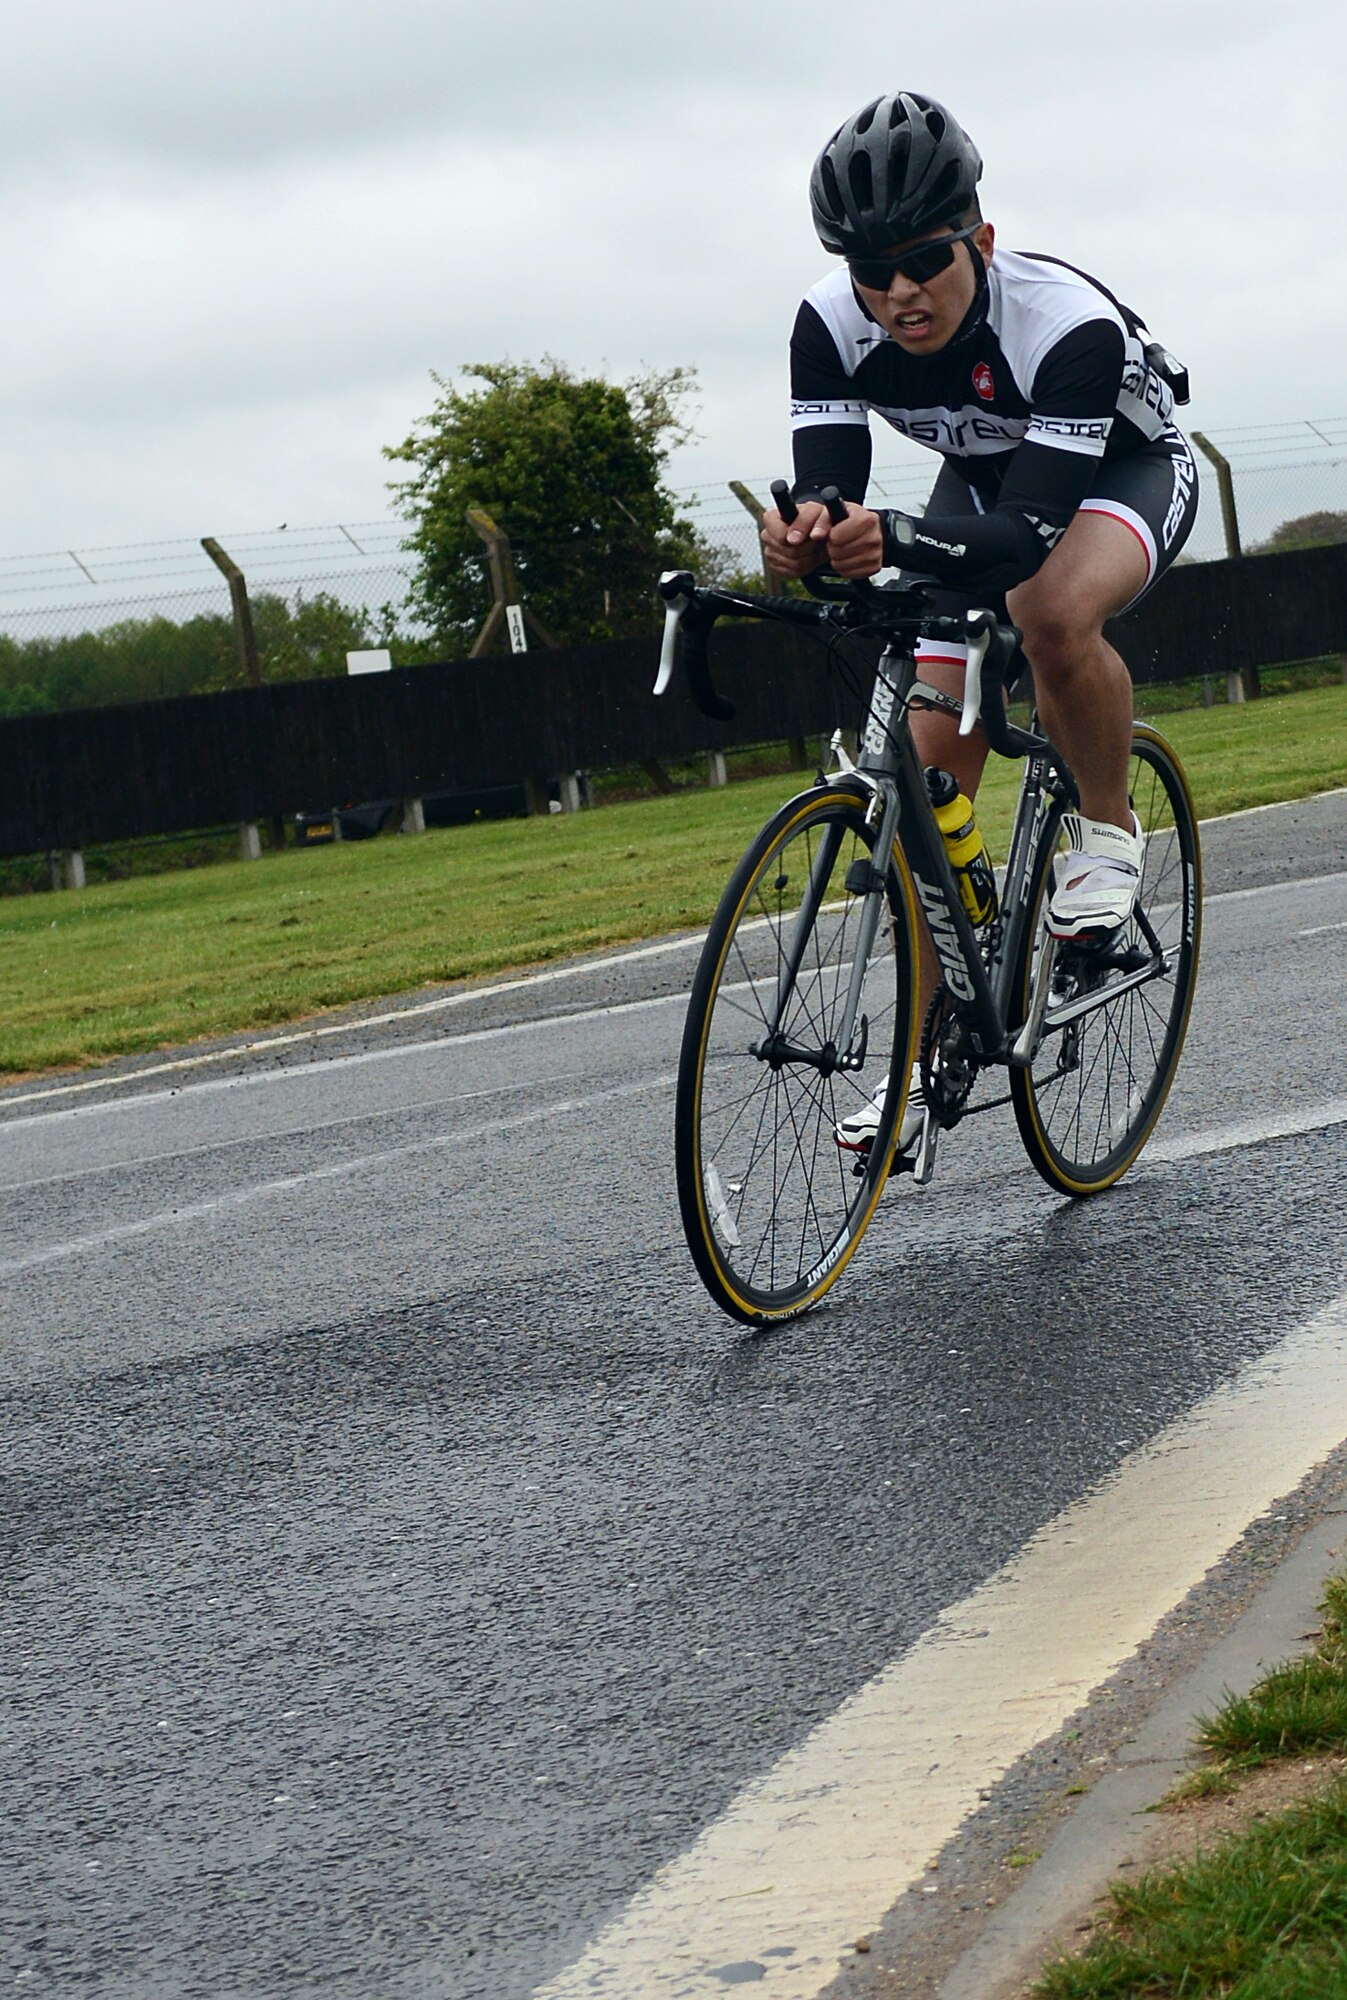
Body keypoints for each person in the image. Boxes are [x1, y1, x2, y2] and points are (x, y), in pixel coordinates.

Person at [760, 90, 1198, 1152]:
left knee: (1047, 611)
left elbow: (1025, 538)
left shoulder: (1065, 326)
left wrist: (895, 538)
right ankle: (923, 1058)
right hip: (983, 486)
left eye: (924, 261)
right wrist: (805, 535)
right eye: (874, 271)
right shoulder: (827, 323)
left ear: (982, 242)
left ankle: (1106, 833)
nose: (899, 292)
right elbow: (830, 484)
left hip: (1119, 472)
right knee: (920, 787)